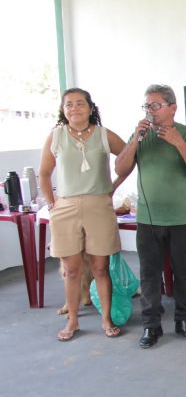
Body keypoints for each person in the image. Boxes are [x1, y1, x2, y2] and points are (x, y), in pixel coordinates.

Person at [115, 84, 186, 348]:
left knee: (184, 273)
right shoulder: (141, 136)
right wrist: (135, 139)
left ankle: (185, 321)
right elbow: (120, 168)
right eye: (147, 106)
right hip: (148, 218)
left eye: (155, 105)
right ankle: (151, 325)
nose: (150, 111)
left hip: (180, 217)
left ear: (172, 108)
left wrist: (178, 142)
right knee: (149, 275)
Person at [39, 88, 128, 341]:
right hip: (66, 207)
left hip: (98, 205)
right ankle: (73, 320)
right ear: (63, 110)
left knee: (100, 268)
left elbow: (128, 158)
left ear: (90, 108)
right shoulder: (56, 136)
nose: (74, 108)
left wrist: (113, 187)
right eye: (69, 104)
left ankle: (106, 318)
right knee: (71, 270)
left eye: (80, 103)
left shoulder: (103, 134)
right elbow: (44, 173)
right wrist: (52, 203)